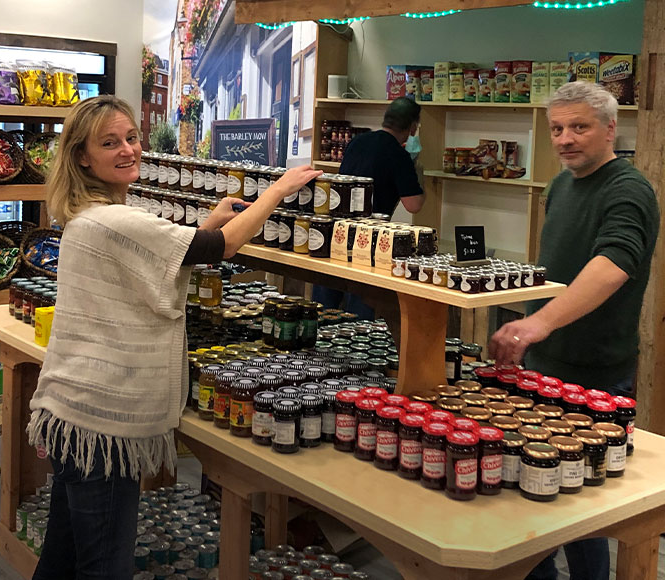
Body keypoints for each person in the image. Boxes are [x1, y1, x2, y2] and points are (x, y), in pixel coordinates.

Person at [26, 95, 321, 580]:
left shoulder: (92, 217)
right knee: (105, 565)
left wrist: (208, 220)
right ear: (82, 156)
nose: (128, 150)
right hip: (104, 423)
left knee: (62, 556)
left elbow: (169, 257)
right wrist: (279, 189)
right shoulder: (115, 220)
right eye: (110, 143)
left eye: (132, 137)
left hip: (73, 413)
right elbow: (221, 248)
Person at [489, 81, 659, 580]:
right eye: (558, 129)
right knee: (539, 489)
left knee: (586, 507)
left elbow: (615, 263)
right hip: (544, 362)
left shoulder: (628, 189)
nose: (565, 139)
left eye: (579, 127)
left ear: (611, 128)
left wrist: (538, 322)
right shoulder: (561, 184)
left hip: (594, 371)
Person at [312, 96, 426, 317]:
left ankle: (319, 348)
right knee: (360, 309)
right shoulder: (398, 155)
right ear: (413, 127)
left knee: (324, 307)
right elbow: (413, 204)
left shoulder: (358, 142)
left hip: (337, 231)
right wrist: (419, 175)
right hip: (370, 239)